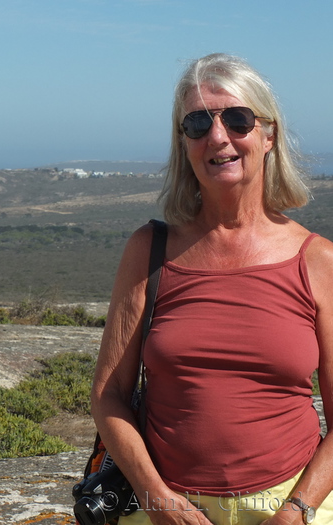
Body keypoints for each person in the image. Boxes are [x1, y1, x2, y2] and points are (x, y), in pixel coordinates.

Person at [91, 53, 333, 525]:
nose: (217, 137)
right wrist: (156, 497)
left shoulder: (319, 261)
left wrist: (297, 512)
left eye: (237, 119)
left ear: (269, 135)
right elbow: (108, 395)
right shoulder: (150, 251)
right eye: (198, 124)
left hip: (288, 501)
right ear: (183, 144)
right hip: (166, 504)